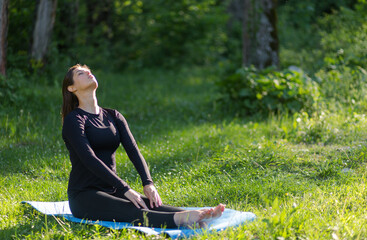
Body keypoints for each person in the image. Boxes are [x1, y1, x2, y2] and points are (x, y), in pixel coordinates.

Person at [61, 64, 225, 228]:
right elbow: (89, 159)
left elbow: (133, 151)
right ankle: (183, 219)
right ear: (71, 88)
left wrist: (148, 183)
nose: (89, 72)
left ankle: (199, 218)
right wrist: (124, 188)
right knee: (130, 210)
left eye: (88, 70)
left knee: (151, 204)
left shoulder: (113, 116)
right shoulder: (74, 120)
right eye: (81, 73)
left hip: (112, 189)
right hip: (84, 194)